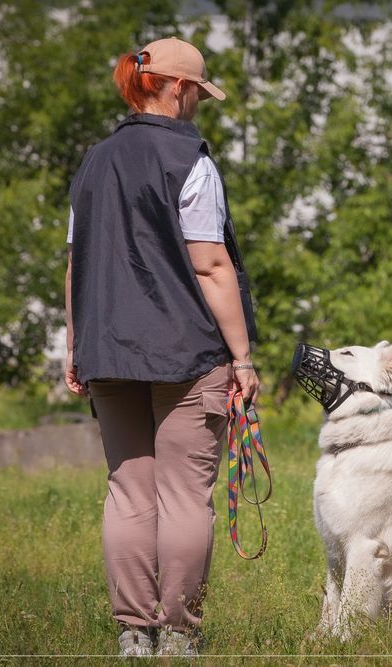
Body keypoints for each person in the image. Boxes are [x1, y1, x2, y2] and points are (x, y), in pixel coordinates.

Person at [62, 36, 259, 657]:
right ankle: (178, 634)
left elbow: (77, 264)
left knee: (127, 491)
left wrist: (76, 346)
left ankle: (132, 634)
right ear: (176, 88)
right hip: (188, 354)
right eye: (198, 91)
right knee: (181, 495)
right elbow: (210, 265)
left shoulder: (94, 161)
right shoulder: (190, 159)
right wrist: (244, 358)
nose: (198, 103)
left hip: (108, 352)